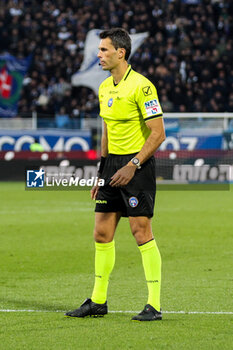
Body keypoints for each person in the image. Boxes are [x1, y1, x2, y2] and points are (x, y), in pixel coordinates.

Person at [65, 28, 166, 321]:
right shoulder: (104, 87)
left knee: (140, 232)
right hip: (111, 167)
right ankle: (98, 301)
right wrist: (101, 171)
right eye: (99, 50)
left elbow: (158, 134)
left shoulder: (143, 87)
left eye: (104, 50)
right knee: (101, 233)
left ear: (120, 53)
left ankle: (154, 305)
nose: (98, 55)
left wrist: (132, 164)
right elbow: (107, 130)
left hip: (137, 166)